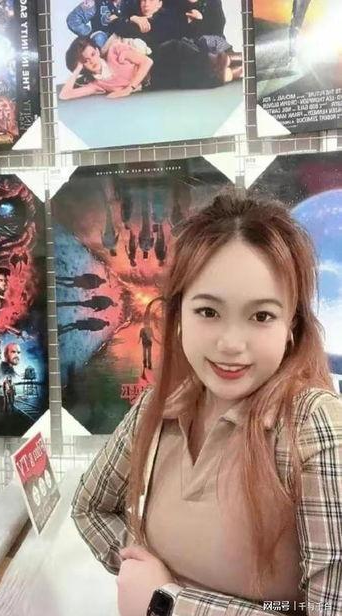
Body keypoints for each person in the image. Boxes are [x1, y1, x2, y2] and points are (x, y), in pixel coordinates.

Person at [71, 192, 342, 616]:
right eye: (208, 312)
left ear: (292, 325)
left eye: (261, 316)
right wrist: (139, 572)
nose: (231, 344)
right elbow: (90, 508)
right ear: (178, 314)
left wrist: (169, 603)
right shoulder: (159, 408)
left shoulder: (311, 424)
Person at [59, 32, 239, 103]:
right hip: (157, 81)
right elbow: (65, 95)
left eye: (92, 54)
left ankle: (230, 59)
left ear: (98, 51)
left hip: (162, 58)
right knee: (206, 79)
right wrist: (77, 69)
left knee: (200, 60)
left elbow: (147, 62)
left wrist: (128, 89)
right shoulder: (97, 85)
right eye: (85, 61)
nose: (92, 60)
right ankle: (237, 69)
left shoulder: (114, 51)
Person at [67, 0, 133, 49]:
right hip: (103, 48)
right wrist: (90, 34)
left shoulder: (131, 3)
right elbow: (73, 20)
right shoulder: (95, 2)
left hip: (126, 44)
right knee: (99, 38)